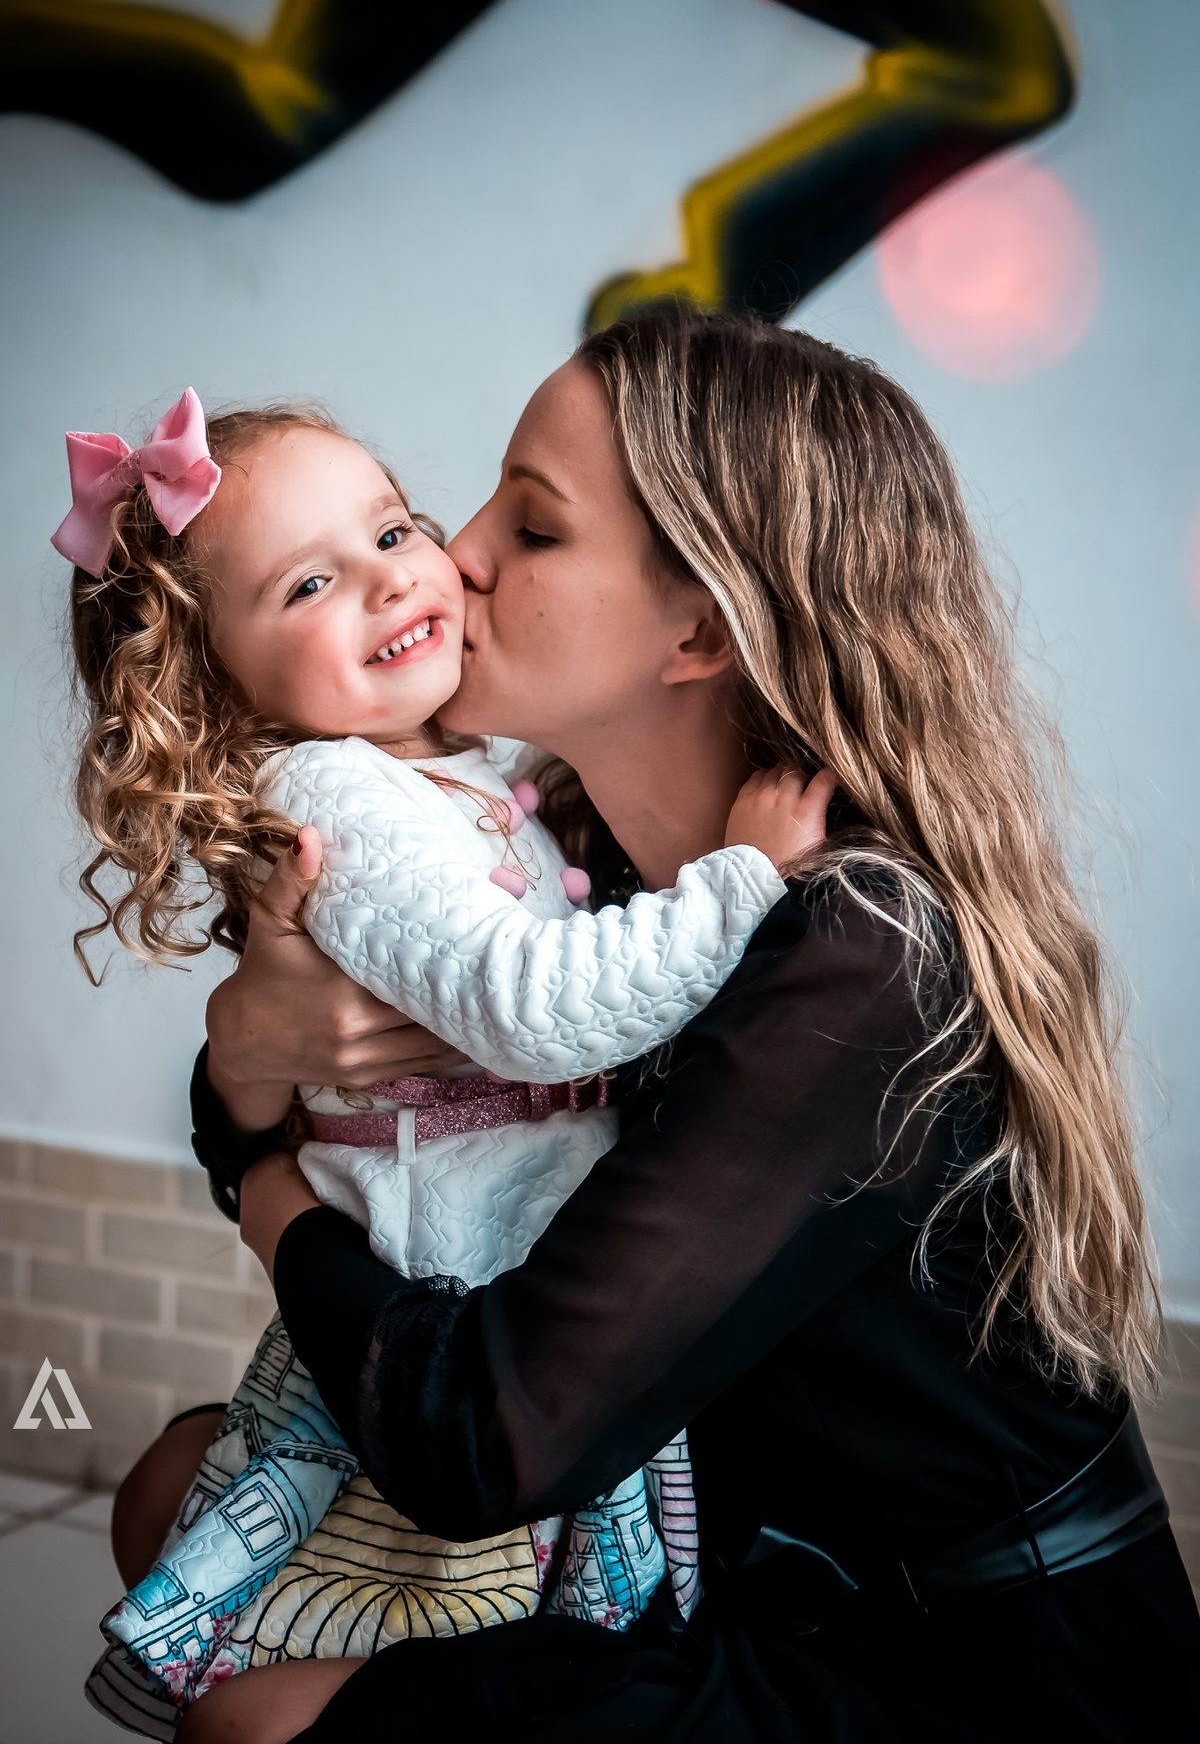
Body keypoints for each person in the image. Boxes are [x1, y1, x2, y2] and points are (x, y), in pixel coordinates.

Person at [163, 312, 1200, 1740]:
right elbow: (309, 1074)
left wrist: (272, 1192)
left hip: (969, 1674)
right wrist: (246, 1044)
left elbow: (483, 1426)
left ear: (701, 627)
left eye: (529, 525)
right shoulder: (599, 864)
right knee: (170, 1485)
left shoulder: (853, 954)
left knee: (253, 1718)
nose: (454, 553)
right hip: (755, 1569)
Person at [55, 387, 828, 1733]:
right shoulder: (335, 791)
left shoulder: (467, 768)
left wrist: (245, 1081)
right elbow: (534, 1005)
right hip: (450, 1286)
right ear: (215, 687)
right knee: (416, 1599)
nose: (406, 571)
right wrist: (739, 880)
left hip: (496, 1279)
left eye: (391, 526)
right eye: (309, 580)